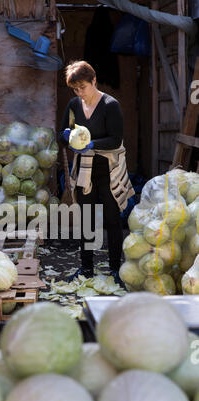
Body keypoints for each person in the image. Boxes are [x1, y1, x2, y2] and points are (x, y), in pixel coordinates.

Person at [59, 60, 134, 284]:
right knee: (87, 219)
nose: (80, 92)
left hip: (109, 170)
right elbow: (62, 134)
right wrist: (65, 136)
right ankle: (86, 268)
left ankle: (114, 270)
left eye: (83, 87)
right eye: (75, 88)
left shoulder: (111, 105)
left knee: (112, 219)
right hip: (85, 170)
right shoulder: (73, 105)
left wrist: (90, 145)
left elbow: (115, 139)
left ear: (94, 80)